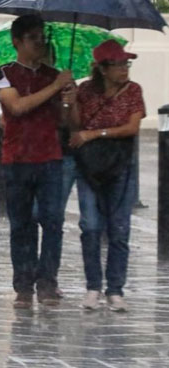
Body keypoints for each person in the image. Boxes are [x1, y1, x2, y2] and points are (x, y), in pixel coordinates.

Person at [0, 14, 74, 309]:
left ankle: (48, 281)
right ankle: (23, 284)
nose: (40, 43)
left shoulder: (53, 75)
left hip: (49, 157)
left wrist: (68, 97)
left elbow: (66, 120)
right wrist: (55, 88)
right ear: (18, 42)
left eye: (42, 38)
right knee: (21, 225)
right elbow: (16, 106)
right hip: (17, 158)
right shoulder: (3, 72)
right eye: (33, 38)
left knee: (53, 221)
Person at [65, 39, 145, 312]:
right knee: (90, 226)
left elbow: (132, 127)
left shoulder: (133, 91)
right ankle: (93, 286)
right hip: (89, 165)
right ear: (102, 69)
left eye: (126, 63)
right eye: (119, 64)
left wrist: (95, 133)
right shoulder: (86, 90)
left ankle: (115, 289)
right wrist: (71, 101)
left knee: (119, 228)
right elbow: (75, 125)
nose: (124, 69)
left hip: (121, 164)